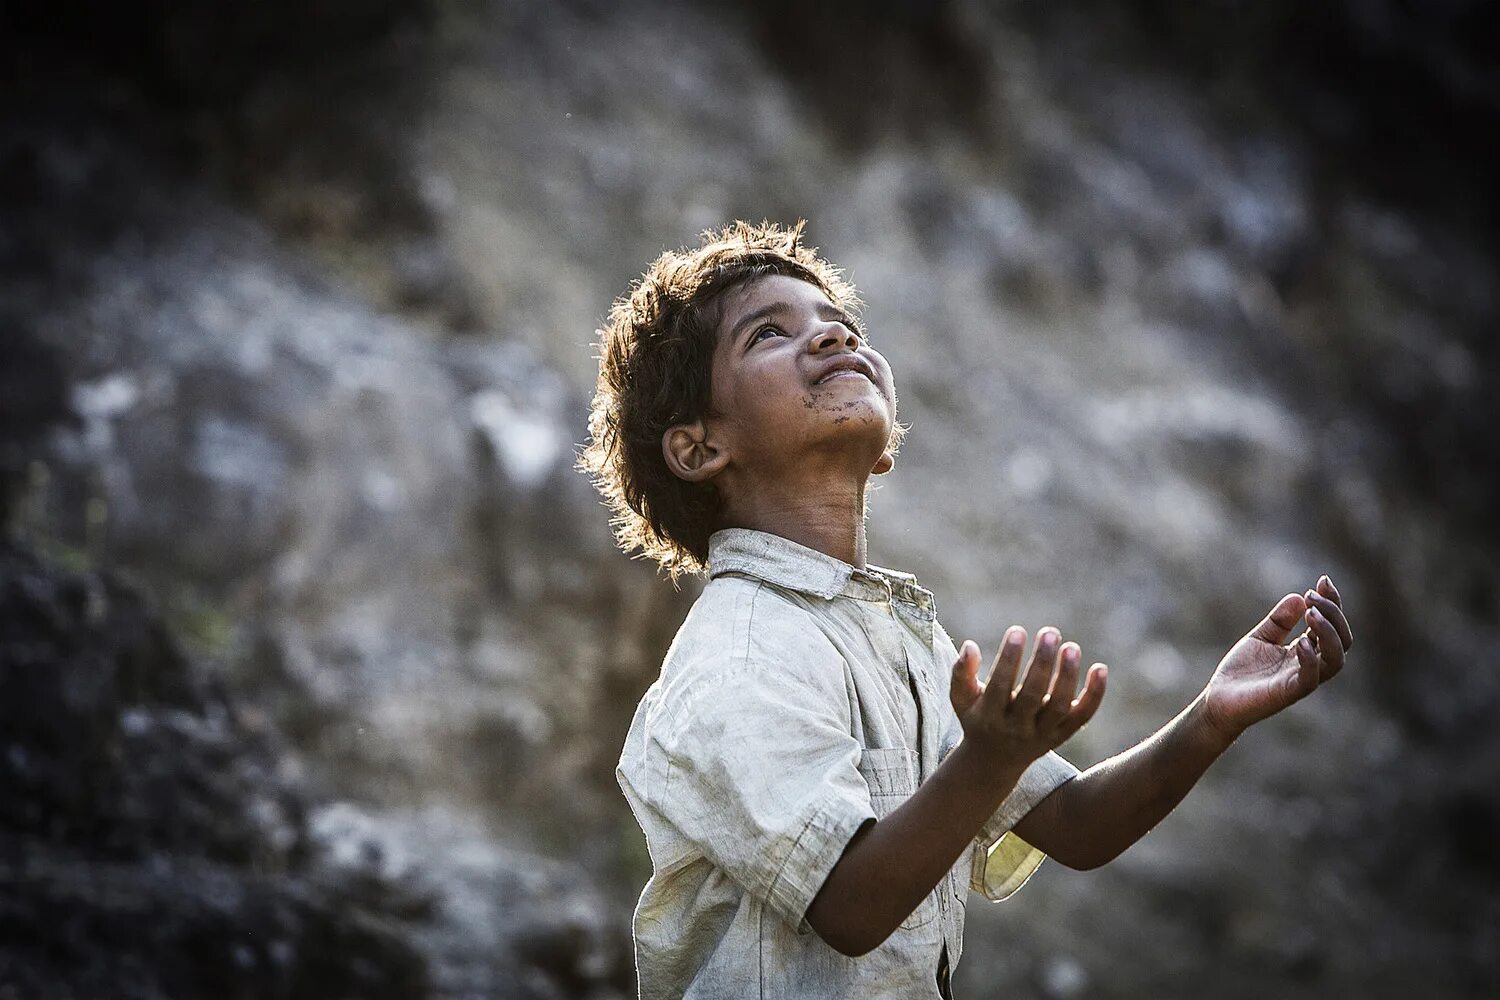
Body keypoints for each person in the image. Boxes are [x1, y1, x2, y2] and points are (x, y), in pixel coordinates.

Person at [579, 221, 1354, 999]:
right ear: (699, 449)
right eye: (770, 334)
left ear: (883, 439)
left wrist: (1213, 717)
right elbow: (850, 907)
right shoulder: (739, 658)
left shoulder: (897, 638)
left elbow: (1079, 826)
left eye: (839, 325)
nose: (831, 339)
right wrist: (988, 756)